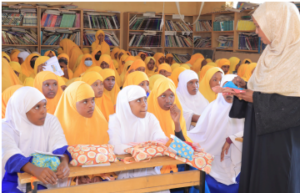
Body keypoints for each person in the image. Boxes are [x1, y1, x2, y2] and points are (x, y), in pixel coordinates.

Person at [229, 3, 300, 193]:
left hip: (282, 141)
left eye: (259, 26)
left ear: (279, 24)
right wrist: (245, 88)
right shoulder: (269, 53)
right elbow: (265, 89)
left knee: (277, 182)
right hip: (257, 133)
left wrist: (257, 98)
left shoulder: (297, 58)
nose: (256, 31)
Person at [2, 87, 71, 192]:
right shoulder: (5, 127)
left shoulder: (51, 121)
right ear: (22, 109)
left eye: (44, 105)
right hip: (13, 179)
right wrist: (35, 170)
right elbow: (9, 155)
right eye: (37, 107)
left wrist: (64, 163)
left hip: (42, 180)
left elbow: (60, 144)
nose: (43, 111)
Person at [188, 74, 244, 193]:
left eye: (233, 88)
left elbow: (248, 134)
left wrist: (232, 139)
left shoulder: (244, 111)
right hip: (212, 161)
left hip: (238, 162)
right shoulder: (212, 108)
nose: (229, 92)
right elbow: (199, 133)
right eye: (225, 88)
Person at [108, 85, 169, 193]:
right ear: (126, 104)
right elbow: (116, 147)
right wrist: (148, 147)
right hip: (126, 177)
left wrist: (133, 147)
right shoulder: (115, 120)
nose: (144, 104)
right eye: (138, 100)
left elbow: (161, 141)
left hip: (151, 174)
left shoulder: (150, 118)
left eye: (145, 99)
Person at [54, 81, 109, 146]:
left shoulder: (101, 123)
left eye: (92, 100)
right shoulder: (57, 129)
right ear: (72, 102)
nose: (91, 105)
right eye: (85, 102)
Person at [148, 77, 191, 142]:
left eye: (171, 95)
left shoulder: (177, 113)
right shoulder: (146, 116)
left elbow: (181, 145)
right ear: (155, 96)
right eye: (163, 95)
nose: (168, 100)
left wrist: (177, 123)